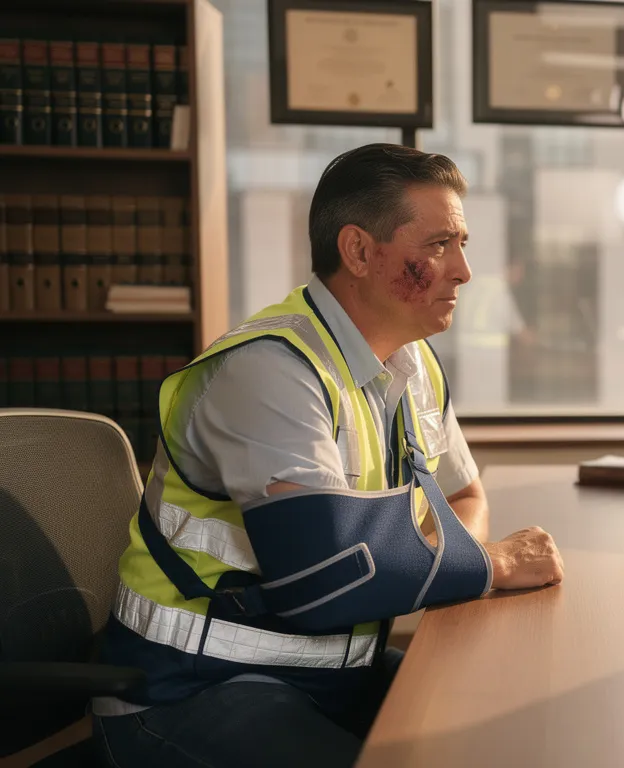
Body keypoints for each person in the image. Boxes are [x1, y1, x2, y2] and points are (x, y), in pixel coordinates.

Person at [92, 143, 565, 767]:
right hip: (193, 688)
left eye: (462, 244)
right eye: (438, 245)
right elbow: (323, 582)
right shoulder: (270, 370)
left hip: (331, 677)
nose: (463, 271)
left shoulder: (411, 359)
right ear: (360, 251)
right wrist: (486, 566)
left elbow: (461, 497)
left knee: (506, 736)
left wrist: (449, 558)